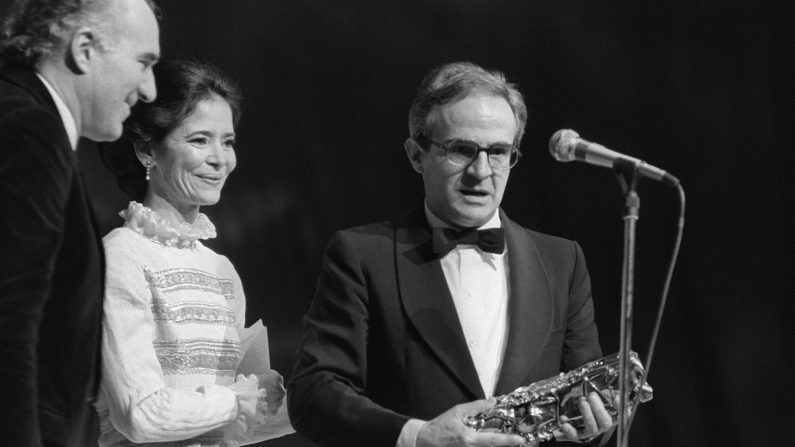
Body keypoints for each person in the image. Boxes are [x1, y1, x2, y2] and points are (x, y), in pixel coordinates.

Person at [288, 61, 618, 447]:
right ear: (416, 155)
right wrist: (417, 437)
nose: (481, 171)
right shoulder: (361, 255)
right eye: (461, 150)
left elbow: (586, 403)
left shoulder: (563, 261)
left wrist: (598, 426)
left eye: (498, 152)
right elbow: (313, 394)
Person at [96, 58, 293, 447]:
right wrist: (239, 399)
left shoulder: (220, 270)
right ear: (146, 150)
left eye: (229, 141)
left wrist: (302, 403)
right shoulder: (120, 257)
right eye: (200, 139)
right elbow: (140, 414)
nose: (221, 159)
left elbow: (234, 426)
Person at [0, 0, 159, 445]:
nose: (148, 90)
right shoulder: (29, 130)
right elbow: (9, 328)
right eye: (143, 63)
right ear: (84, 48)